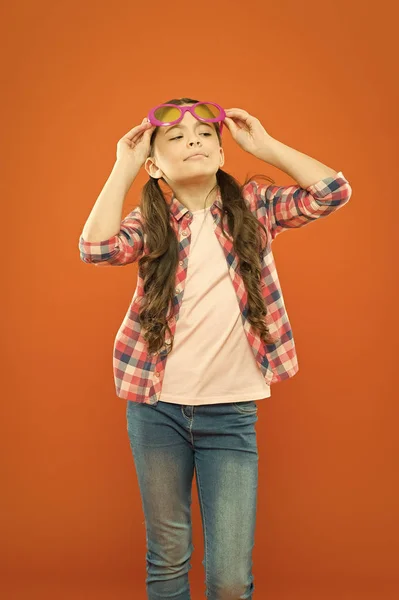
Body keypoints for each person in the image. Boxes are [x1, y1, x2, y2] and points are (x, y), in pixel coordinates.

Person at [78, 97, 352, 599]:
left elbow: (333, 192)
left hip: (230, 413)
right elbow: (96, 248)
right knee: (168, 558)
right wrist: (123, 165)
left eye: (205, 135)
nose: (194, 142)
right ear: (155, 165)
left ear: (222, 153)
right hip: (156, 409)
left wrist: (266, 147)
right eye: (177, 138)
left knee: (229, 577)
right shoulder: (151, 221)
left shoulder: (255, 207)